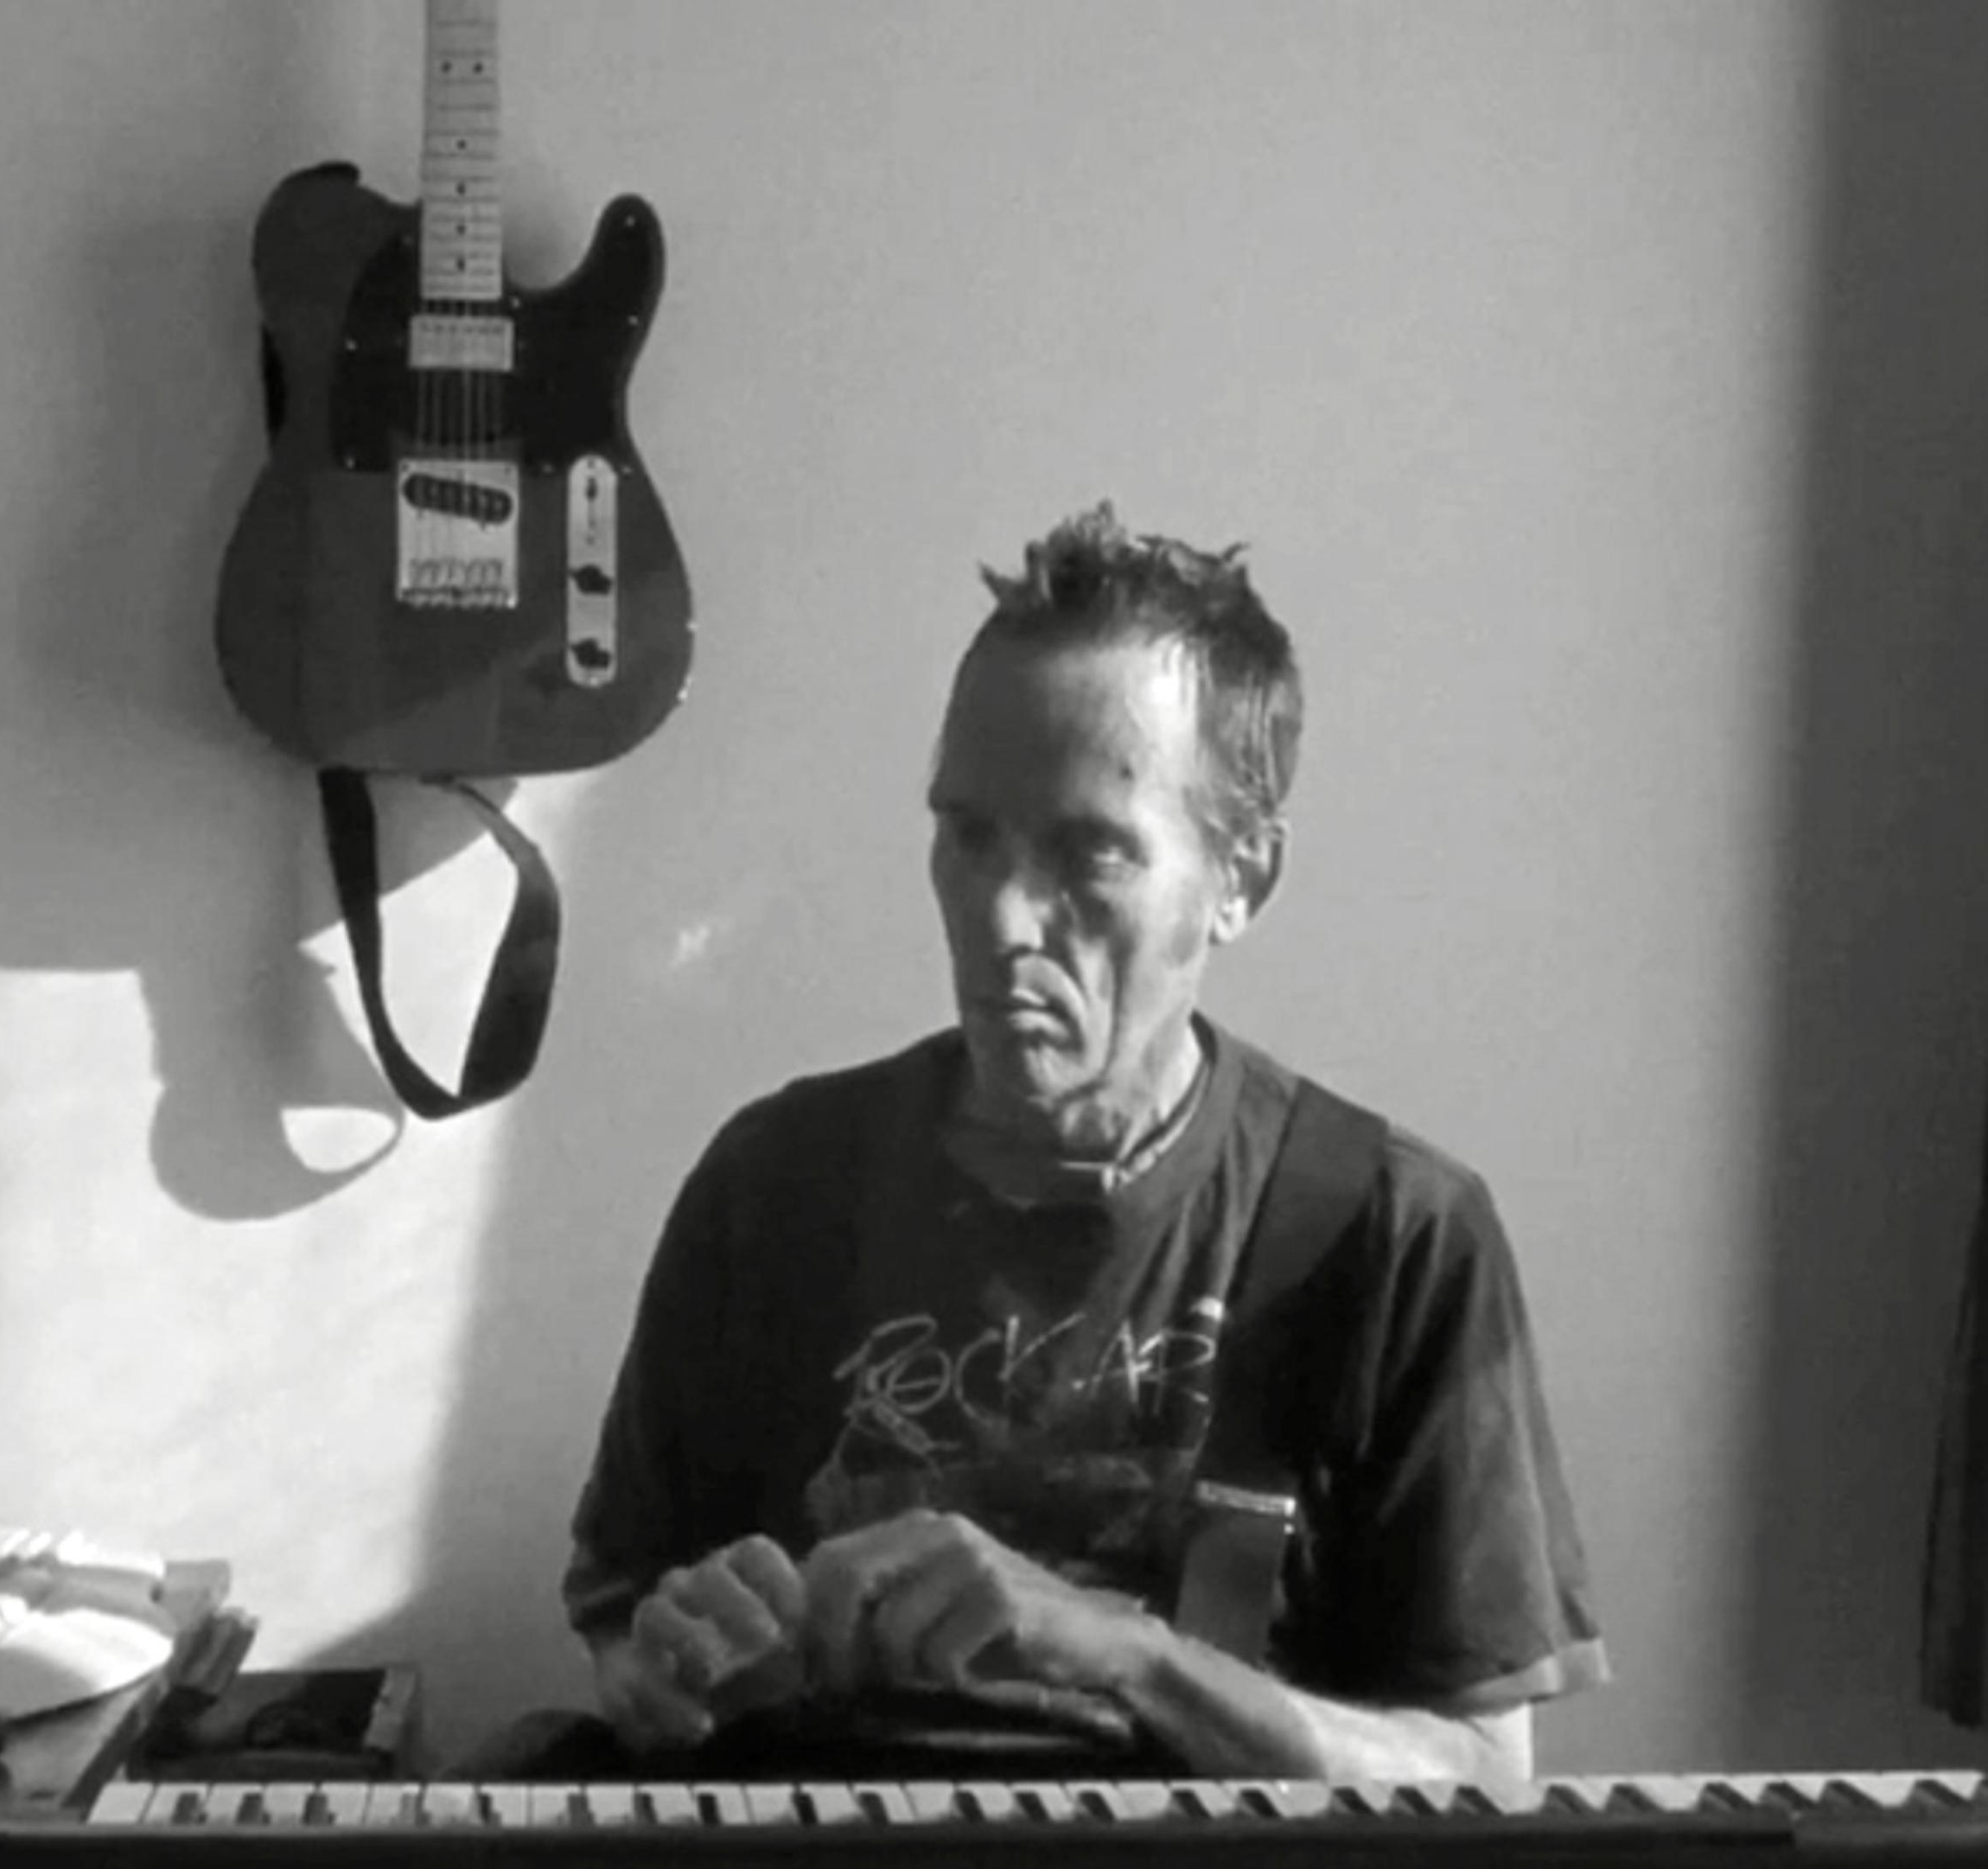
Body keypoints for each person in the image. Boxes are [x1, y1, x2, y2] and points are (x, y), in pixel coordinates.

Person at [499, 503, 1606, 1786]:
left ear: (1242, 878)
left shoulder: (1390, 1230)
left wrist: (1121, 1654)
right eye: (968, 835)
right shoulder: (771, 1184)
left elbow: (1483, 1771)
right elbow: (628, 1643)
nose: (1003, 918)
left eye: (1089, 851)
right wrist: (674, 1668)